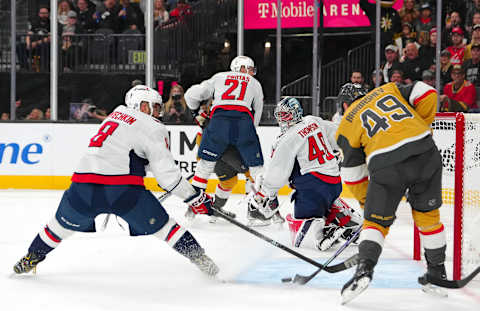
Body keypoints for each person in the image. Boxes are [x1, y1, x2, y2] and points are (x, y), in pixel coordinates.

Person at [13, 85, 219, 278]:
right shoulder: (152, 126)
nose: (159, 113)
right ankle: (200, 259)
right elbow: (168, 178)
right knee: (166, 229)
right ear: (143, 106)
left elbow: (122, 152)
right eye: (155, 107)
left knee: (57, 227)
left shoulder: (115, 115)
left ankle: (32, 256)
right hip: (122, 192)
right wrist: (195, 198)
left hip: (82, 188)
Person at [336, 82, 447, 304]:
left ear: (344, 105)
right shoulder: (388, 89)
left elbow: (352, 174)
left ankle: (364, 270)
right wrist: (418, 127)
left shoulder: (346, 124)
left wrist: (369, 203)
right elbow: (428, 93)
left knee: (375, 223)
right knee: (428, 215)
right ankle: (436, 273)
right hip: (426, 151)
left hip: (387, 165)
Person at [248, 97, 362, 251]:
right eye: (280, 115)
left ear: (296, 113)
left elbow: (279, 171)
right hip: (334, 183)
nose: (283, 119)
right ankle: (348, 219)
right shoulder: (313, 121)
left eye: (286, 115)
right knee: (325, 200)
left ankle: (325, 233)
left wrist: (264, 193)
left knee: (300, 237)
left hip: (312, 186)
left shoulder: (286, 139)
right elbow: (337, 134)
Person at [184, 55, 264, 202]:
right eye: (250, 69)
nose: (252, 73)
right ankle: (260, 204)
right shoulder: (254, 84)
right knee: (252, 169)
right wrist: (250, 133)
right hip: (238, 133)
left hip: (218, 134)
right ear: (240, 69)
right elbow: (257, 112)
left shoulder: (218, 79)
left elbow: (191, 95)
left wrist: (196, 112)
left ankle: (198, 203)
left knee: (221, 176)